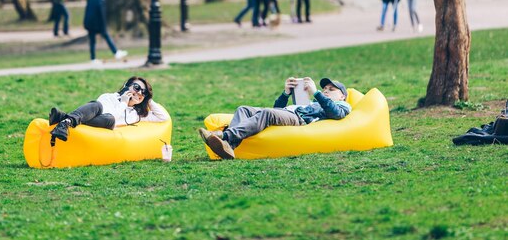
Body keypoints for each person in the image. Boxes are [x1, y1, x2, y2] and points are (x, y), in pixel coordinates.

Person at [198, 77, 351, 160]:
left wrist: (316, 92)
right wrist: (286, 93)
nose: (325, 91)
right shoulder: (312, 102)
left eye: (331, 90)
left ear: (342, 96)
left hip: (299, 119)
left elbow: (335, 113)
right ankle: (229, 147)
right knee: (243, 109)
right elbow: (277, 109)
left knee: (267, 114)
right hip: (289, 112)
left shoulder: (343, 106)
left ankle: (224, 136)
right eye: (324, 89)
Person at [49, 76, 169, 145]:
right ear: (127, 85)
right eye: (137, 88)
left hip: (107, 123)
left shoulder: (138, 115)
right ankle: (65, 123)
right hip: (99, 117)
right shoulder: (109, 97)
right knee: (96, 105)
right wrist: (123, 101)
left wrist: (148, 99)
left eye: (144, 91)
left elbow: (163, 117)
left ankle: (63, 117)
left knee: (109, 118)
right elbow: (102, 111)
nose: (139, 92)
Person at [83, 0, 127, 64]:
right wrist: (104, 26)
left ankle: (93, 58)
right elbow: (102, 15)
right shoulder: (101, 1)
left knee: (92, 42)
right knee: (107, 37)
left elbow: (87, 13)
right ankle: (116, 52)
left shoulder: (90, 1)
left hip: (89, 24)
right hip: (98, 25)